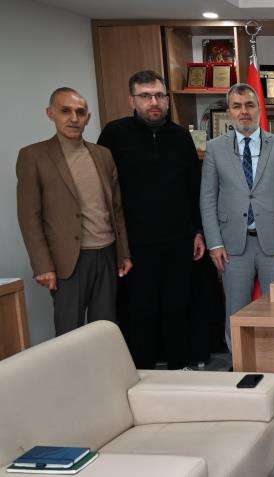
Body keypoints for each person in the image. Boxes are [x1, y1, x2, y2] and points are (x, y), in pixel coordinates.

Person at [97, 70, 204, 370]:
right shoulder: (114, 135)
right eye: (145, 96)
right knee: (140, 311)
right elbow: (105, 190)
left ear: (167, 100)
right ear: (132, 100)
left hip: (178, 240)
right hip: (135, 244)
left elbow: (193, 187)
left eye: (159, 95)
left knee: (177, 307)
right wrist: (118, 243)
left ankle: (179, 368)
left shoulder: (180, 136)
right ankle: (142, 372)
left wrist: (197, 231)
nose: (153, 102)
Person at [16, 87, 132, 335]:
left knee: (106, 329)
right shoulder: (33, 156)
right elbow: (29, 218)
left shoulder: (103, 155)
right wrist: (42, 265)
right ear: (50, 113)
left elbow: (116, 209)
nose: (74, 118)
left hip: (106, 254)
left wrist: (123, 253)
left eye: (80, 112)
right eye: (65, 111)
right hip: (67, 261)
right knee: (69, 333)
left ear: (88, 117)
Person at [201, 83, 274, 352]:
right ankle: (239, 363)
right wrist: (214, 243)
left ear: (259, 109)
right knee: (236, 312)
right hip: (232, 247)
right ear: (229, 112)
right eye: (237, 106)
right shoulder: (214, 149)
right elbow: (207, 199)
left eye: (249, 105)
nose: (244, 111)